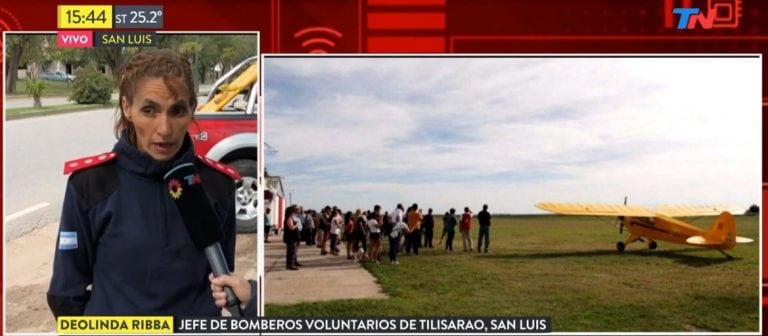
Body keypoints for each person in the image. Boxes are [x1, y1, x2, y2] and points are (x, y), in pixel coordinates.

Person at [47, 49, 248, 316]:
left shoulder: (217, 184)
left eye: (177, 111)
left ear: (192, 109)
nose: (164, 129)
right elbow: (65, 296)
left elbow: (223, 282)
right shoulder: (90, 184)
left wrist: (251, 297)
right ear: (127, 107)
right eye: (149, 110)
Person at [284, 205, 301, 270]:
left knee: (293, 251)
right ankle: (291, 265)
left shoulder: (290, 218)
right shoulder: (289, 219)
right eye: (294, 212)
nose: (295, 213)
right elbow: (291, 228)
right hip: (291, 238)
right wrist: (296, 225)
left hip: (293, 237)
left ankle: (291, 263)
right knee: (292, 252)